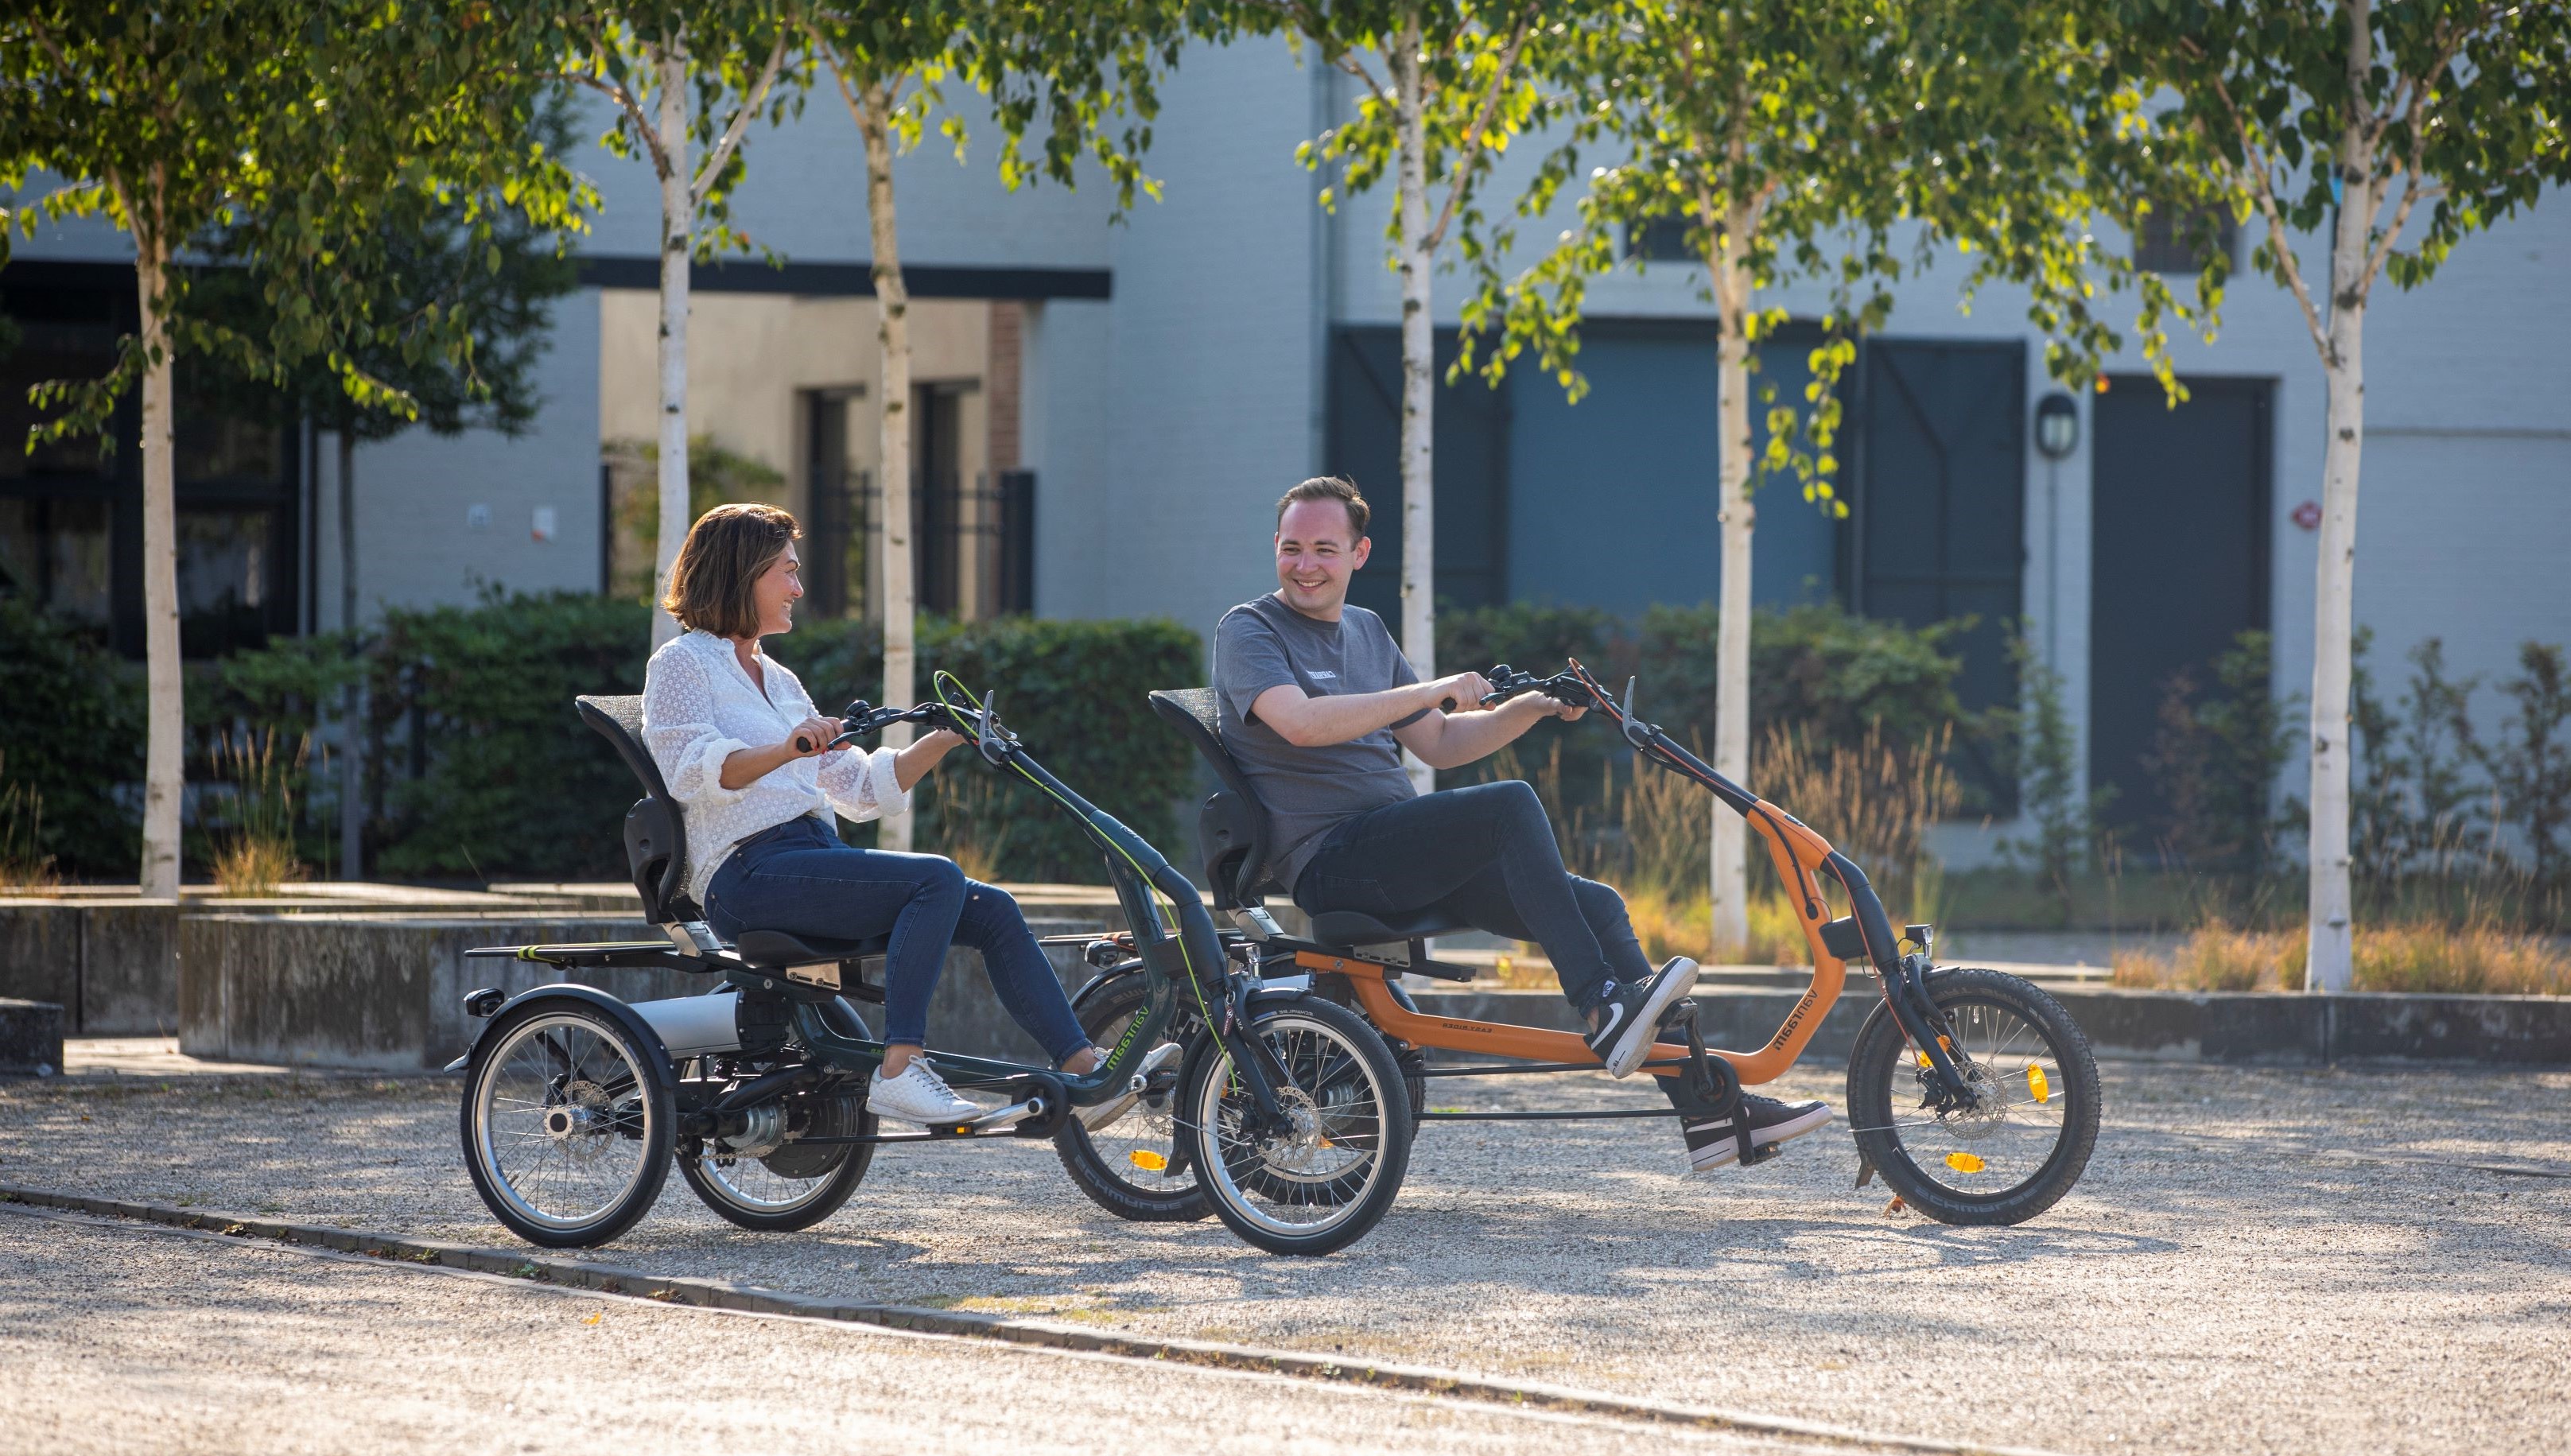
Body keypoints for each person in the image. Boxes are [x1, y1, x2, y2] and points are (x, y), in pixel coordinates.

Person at [1214, 476, 1831, 1165]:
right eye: (1292, 547)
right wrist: (1431, 688)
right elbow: (1298, 724)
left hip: (1392, 851)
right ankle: (1601, 1003)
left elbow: (1441, 743)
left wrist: (1529, 708)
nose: (1305, 565)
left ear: (1359, 554)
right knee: (1508, 805)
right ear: (1275, 546)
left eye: (1324, 549)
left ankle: (1713, 1114)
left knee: (1596, 905)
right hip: (1330, 861)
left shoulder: (1365, 630)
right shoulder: (1249, 630)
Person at [643, 503, 1140, 1128]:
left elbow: (854, 786)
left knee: (991, 909)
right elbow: (687, 770)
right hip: (744, 875)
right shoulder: (681, 663)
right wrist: (787, 746)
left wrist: (946, 739)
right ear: (741, 574)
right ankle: (900, 1069)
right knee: (935, 876)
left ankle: (1082, 1070)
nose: (798, 587)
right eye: (787, 573)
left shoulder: (778, 677)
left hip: (810, 859)